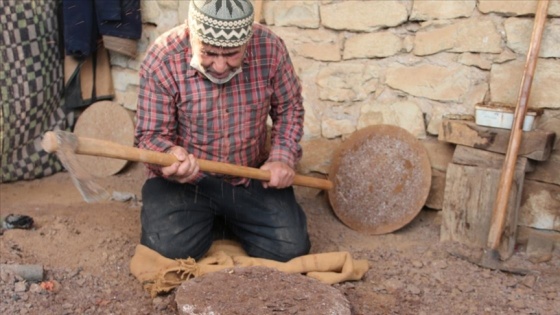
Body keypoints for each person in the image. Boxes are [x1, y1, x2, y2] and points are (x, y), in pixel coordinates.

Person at [134, 0, 310, 263]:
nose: (218, 66)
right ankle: (213, 219)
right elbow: (149, 136)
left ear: (248, 41)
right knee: (166, 251)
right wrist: (169, 155)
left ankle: (216, 220)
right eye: (208, 53)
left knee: (290, 248)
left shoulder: (270, 48)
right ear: (191, 33)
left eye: (231, 55)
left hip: (250, 175)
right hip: (186, 183)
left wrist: (281, 157)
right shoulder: (163, 56)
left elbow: (289, 108)